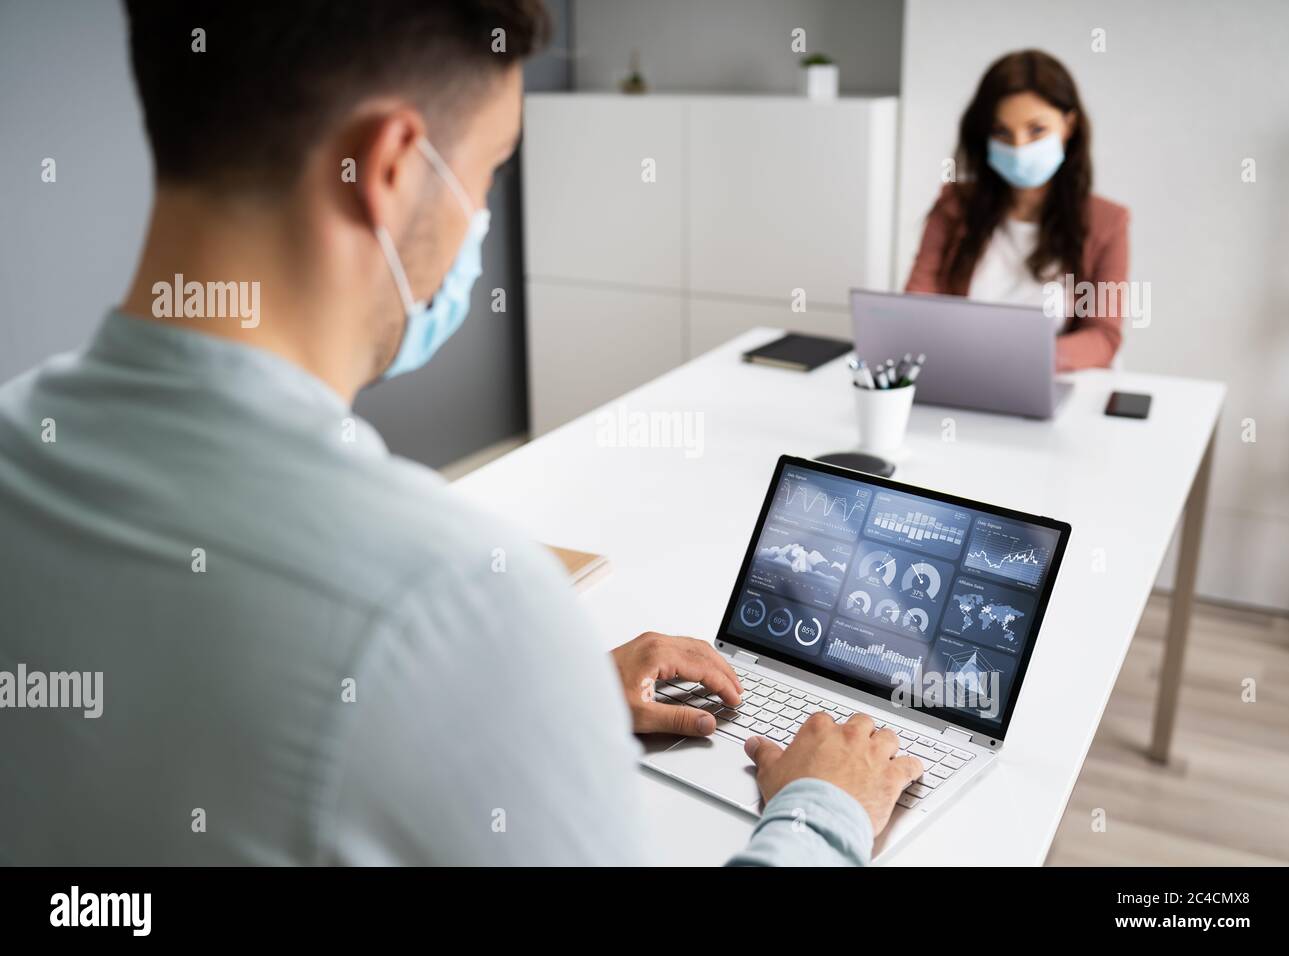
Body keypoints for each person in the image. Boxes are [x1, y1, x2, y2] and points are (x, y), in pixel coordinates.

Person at [0, 0, 922, 866]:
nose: (479, 220)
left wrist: (527, 704)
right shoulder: (453, 600)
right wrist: (823, 813)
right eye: (487, 173)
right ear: (391, 171)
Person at [905, 49, 1130, 371]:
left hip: (1055, 380)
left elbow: (1103, 336)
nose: (1019, 147)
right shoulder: (954, 206)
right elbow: (917, 307)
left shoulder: (1108, 222)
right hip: (966, 375)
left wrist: (1026, 359)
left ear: (1069, 125)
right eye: (1002, 133)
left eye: (1036, 130)